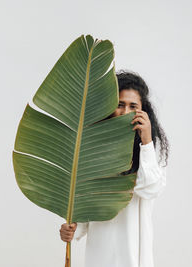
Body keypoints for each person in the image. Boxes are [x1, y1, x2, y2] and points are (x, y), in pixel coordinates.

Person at [60, 70, 170, 267]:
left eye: (133, 106)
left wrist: (146, 142)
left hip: (134, 258)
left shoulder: (151, 152)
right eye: (119, 104)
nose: (125, 111)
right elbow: (87, 209)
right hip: (100, 255)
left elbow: (150, 188)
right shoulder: (93, 151)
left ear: (143, 110)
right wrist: (72, 230)